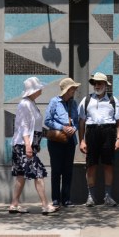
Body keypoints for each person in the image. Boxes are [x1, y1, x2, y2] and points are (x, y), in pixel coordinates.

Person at [9, 77, 59, 215]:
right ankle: (45, 205)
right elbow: (24, 126)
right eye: (39, 88)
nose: (41, 89)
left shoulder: (30, 103)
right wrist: (28, 146)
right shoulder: (25, 104)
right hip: (23, 145)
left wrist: (34, 144)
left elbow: (33, 127)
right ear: (34, 90)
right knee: (38, 173)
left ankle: (14, 204)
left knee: (20, 174)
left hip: (24, 145)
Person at [78, 72, 119, 207]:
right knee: (91, 165)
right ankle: (91, 197)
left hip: (108, 133)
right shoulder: (86, 100)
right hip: (91, 132)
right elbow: (81, 122)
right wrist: (82, 140)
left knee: (108, 165)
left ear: (105, 85)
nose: (97, 86)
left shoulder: (113, 100)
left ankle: (108, 196)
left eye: (100, 83)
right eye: (95, 83)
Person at [44, 78, 80, 207]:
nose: (74, 91)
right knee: (56, 170)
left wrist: (73, 128)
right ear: (66, 90)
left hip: (70, 140)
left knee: (68, 170)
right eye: (72, 89)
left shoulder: (73, 103)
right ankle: (55, 199)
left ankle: (66, 199)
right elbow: (47, 121)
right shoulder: (54, 102)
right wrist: (62, 127)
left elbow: (76, 121)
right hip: (56, 140)